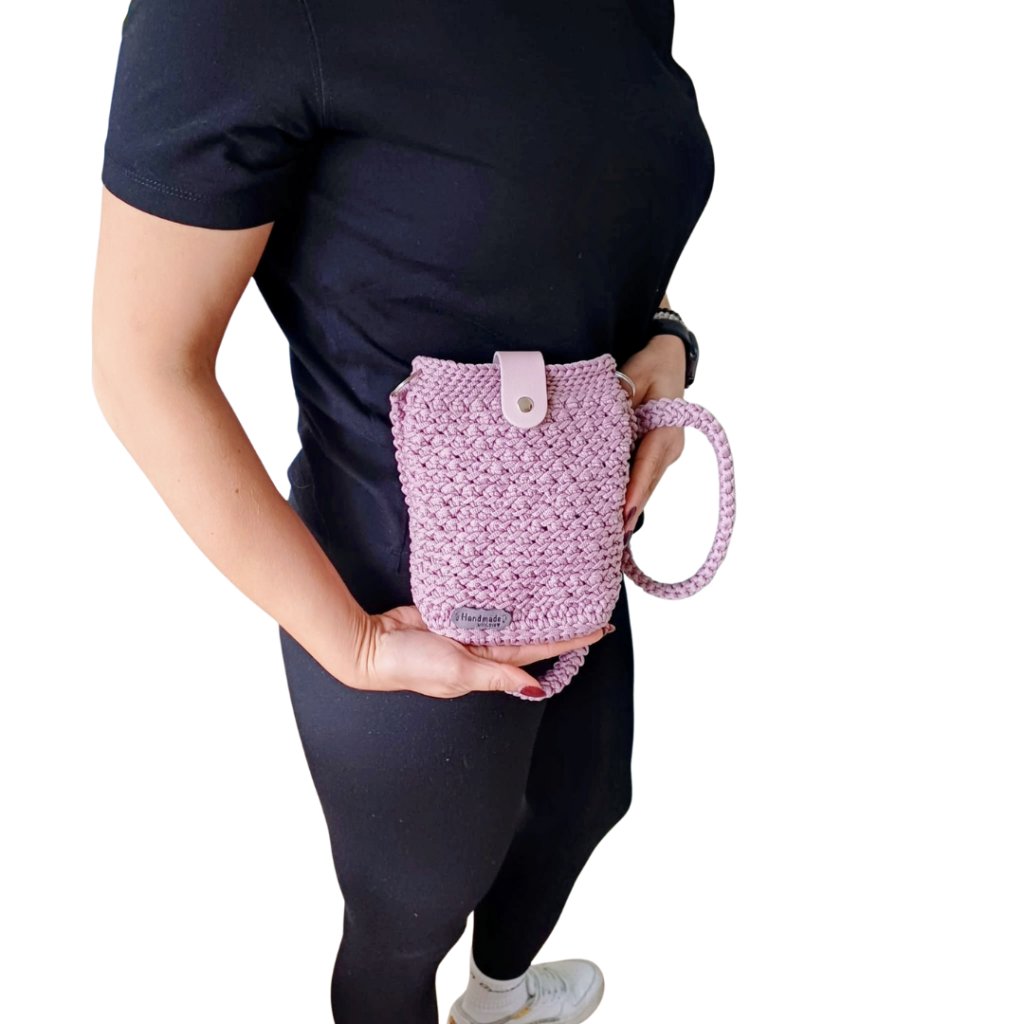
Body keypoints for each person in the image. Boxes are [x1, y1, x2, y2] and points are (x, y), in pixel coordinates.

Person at [92, 1, 715, 1021]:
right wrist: (357, 644)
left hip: (570, 536)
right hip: (395, 585)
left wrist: (665, 341)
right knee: (409, 913)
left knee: (583, 806)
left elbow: (593, 204)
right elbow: (141, 364)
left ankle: (498, 1000)